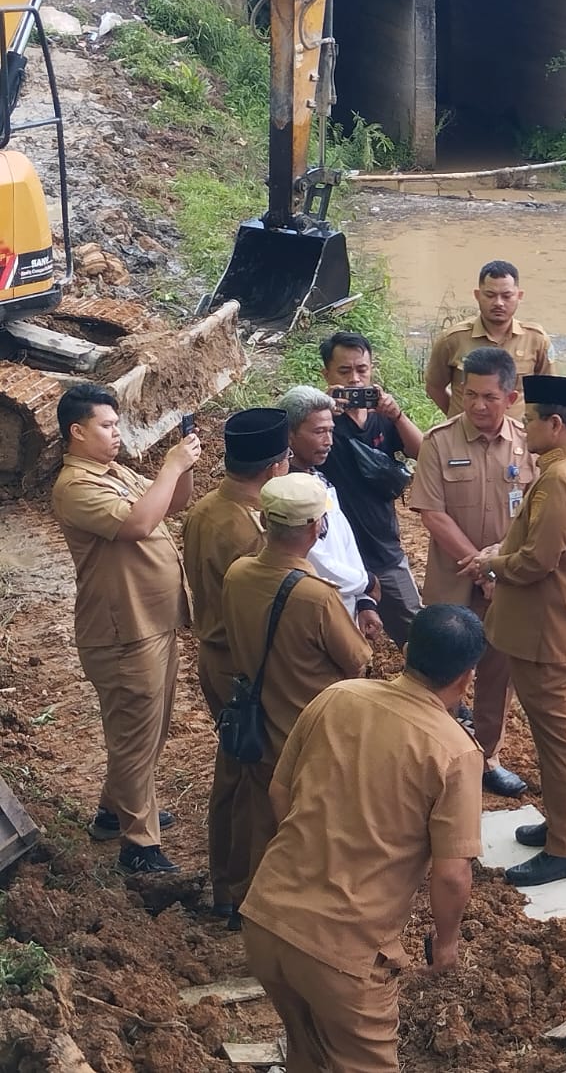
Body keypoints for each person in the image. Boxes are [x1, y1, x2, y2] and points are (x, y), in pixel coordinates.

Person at [241, 604, 484, 1073]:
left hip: (267, 918)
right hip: (344, 955)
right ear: (467, 677)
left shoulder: (338, 696)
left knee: (306, 1052)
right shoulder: (454, 750)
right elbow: (453, 875)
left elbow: (279, 791)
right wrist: (447, 941)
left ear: (407, 652)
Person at [51, 384, 199, 875]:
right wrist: (171, 466)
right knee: (135, 737)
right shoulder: (75, 486)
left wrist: (185, 468)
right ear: (77, 432)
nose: (117, 433)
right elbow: (137, 524)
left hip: (152, 624)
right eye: (107, 426)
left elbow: (167, 508)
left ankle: (113, 814)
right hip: (122, 633)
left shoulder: (113, 472)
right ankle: (139, 846)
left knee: (150, 731)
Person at [462, 374, 566, 887]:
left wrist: (494, 564)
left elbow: (540, 559)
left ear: (556, 424)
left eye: (532, 421)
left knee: (562, 739)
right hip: (561, 621)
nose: (524, 429)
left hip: (550, 629)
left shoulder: (561, 479)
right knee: (555, 738)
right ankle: (562, 825)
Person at [221, 473, 371, 911]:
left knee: (260, 822)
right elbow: (357, 659)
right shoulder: (314, 596)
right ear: (314, 529)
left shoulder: (238, 574)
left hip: (258, 727)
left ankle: (247, 902)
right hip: (307, 736)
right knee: (308, 830)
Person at [410, 346, 538, 797]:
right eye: (470, 395)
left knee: (496, 674)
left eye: (489, 397)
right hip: (454, 583)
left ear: (511, 396)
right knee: (442, 670)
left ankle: (487, 757)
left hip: (506, 582)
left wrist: (498, 562)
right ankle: (434, 758)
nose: (478, 406)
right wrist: (479, 566)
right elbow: (432, 513)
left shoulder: (528, 445)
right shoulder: (439, 442)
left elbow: (533, 516)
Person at [181, 407, 290, 917]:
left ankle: (227, 884)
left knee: (231, 767)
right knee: (255, 777)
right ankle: (246, 890)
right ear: (274, 468)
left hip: (216, 657)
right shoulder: (253, 531)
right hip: (244, 668)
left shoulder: (205, 508)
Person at [318, 331, 424, 649]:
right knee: (336, 639)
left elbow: (423, 453)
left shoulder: (383, 417)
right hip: (333, 554)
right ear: (327, 374)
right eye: (344, 371)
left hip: (382, 548)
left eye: (362, 370)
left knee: (416, 632)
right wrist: (323, 415)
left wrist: (397, 415)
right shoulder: (319, 420)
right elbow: (291, 460)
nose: (354, 380)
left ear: (371, 369)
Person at [280, 386, 385, 644]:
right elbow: (316, 561)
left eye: (330, 431)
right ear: (289, 435)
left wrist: (362, 601)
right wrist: (365, 582)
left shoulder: (317, 476)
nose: (328, 441)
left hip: (345, 610)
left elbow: (344, 541)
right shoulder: (288, 494)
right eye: (318, 432)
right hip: (318, 622)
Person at [425, 260, 553, 423]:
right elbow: (434, 387)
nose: (498, 303)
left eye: (506, 296)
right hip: (464, 440)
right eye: (490, 295)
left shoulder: (536, 340)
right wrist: (459, 419)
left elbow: (547, 395)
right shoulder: (453, 339)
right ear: (477, 295)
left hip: (517, 442)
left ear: (519, 296)